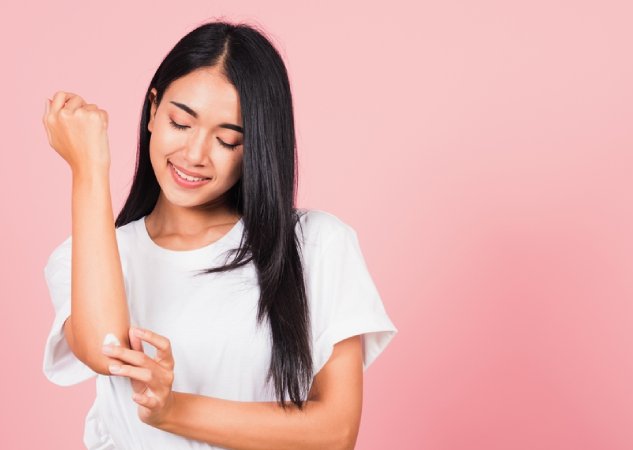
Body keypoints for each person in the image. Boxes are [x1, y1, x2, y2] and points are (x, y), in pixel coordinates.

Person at [41, 19, 397, 450]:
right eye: (180, 122)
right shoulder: (92, 257)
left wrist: (174, 410)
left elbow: (335, 432)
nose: (194, 155)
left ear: (257, 149)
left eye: (227, 141)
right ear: (152, 110)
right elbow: (107, 349)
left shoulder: (316, 245)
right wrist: (89, 167)